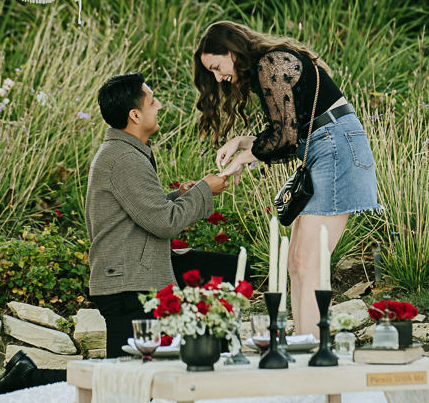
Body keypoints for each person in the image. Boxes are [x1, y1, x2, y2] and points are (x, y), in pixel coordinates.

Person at [194, 21, 380, 338]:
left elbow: (284, 139)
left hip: (335, 147)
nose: (218, 77)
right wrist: (242, 142)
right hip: (324, 146)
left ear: (230, 50)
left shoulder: (273, 62)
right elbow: (291, 135)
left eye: (216, 66)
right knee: (296, 261)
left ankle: (311, 353)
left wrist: (243, 157)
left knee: (308, 262)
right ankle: (304, 343)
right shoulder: (271, 62)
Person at [86, 72, 229, 358]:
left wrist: (181, 196)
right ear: (135, 115)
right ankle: (26, 377)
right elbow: (164, 223)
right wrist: (203, 190)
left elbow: (140, 211)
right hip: (128, 287)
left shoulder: (124, 152)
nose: (160, 106)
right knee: (126, 376)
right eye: (153, 102)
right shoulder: (124, 158)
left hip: (129, 282)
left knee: (133, 374)